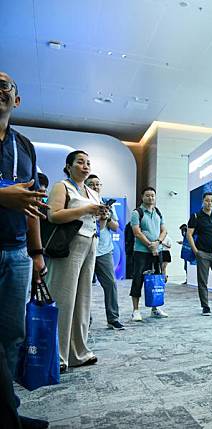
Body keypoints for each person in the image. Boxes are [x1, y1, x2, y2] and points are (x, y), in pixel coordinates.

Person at [0, 71, 50, 428]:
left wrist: (35, 252)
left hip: (17, 252)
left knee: (12, 336)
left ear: (16, 100)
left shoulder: (25, 146)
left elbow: (31, 201)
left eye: (5, 85)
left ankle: (9, 411)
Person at [47, 151, 106, 372]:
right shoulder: (62, 186)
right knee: (64, 299)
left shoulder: (91, 191)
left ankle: (77, 353)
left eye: (88, 162)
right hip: (69, 244)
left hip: (91, 243)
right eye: (80, 162)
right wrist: (86, 209)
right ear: (68, 166)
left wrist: (101, 215)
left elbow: (95, 220)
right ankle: (57, 355)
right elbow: (53, 215)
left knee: (83, 300)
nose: (85, 166)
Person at [85, 174, 124, 330]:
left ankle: (113, 318)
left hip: (104, 251)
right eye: (91, 184)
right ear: (86, 186)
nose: (95, 187)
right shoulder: (81, 203)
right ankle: (85, 320)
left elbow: (116, 227)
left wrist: (106, 217)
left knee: (110, 284)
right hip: (86, 249)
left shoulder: (107, 204)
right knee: (84, 288)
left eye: (98, 184)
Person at [129, 187, 169, 321]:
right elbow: (137, 232)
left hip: (158, 251)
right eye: (147, 195)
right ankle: (136, 310)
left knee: (157, 279)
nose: (150, 198)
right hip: (141, 252)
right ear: (142, 197)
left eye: (153, 196)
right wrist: (150, 245)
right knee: (138, 279)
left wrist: (157, 242)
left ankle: (155, 308)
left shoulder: (158, 212)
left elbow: (164, 230)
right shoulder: (137, 213)